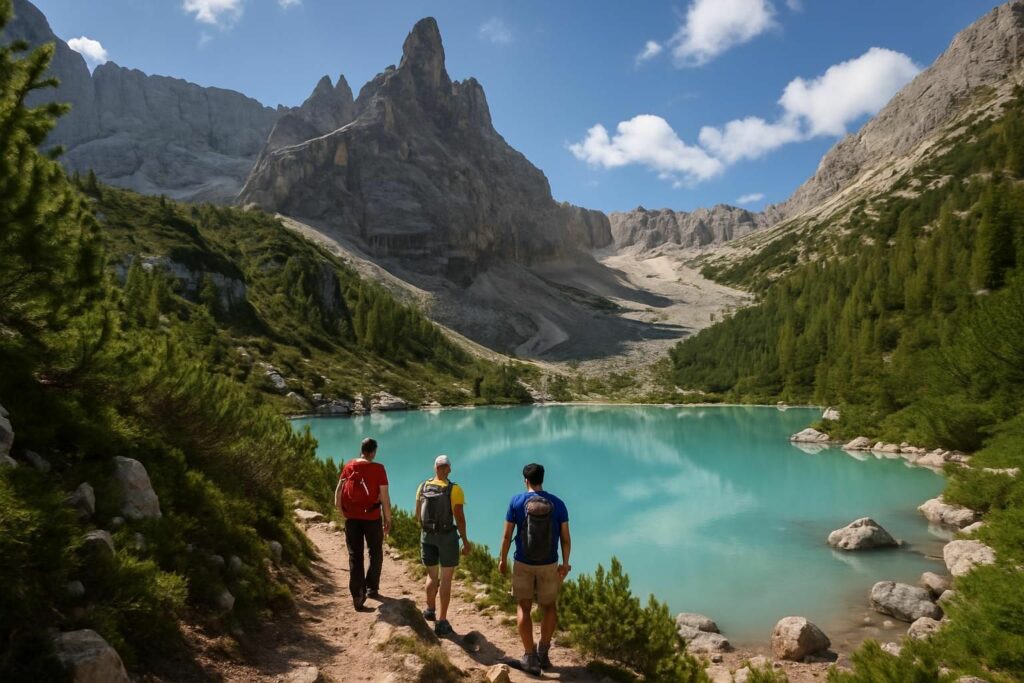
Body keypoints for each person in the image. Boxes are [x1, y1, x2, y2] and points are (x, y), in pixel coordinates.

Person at [498, 463, 571, 675]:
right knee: (549, 607)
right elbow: (565, 539)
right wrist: (564, 564)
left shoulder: (516, 502)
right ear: (542, 479)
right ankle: (544, 653)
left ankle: (529, 657)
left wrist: (502, 559)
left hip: (523, 562)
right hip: (549, 564)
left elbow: (506, 536)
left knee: (523, 606)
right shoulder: (558, 503)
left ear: (525, 480)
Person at [414, 454, 472, 635]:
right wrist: (465, 540)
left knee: (431, 576)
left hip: (427, 536)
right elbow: (460, 519)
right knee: (446, 579)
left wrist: (426, 530)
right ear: (449, 469)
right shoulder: (454, 490)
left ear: (435, 468)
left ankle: (430, 610)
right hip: (447, 538)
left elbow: (417, 514)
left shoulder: (422, 486)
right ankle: (442, 621)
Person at [336, 437, 392, 610]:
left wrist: (342, 512)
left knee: (355, 554)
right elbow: (384, 497)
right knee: (375, 552)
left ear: (361, 450)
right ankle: (371, 587)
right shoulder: (378, 469)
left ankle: (357, 593)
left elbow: (338, 491)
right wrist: (388, 519)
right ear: (373, 452)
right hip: (372, 518)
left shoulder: (349, 466)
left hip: (351, 517)